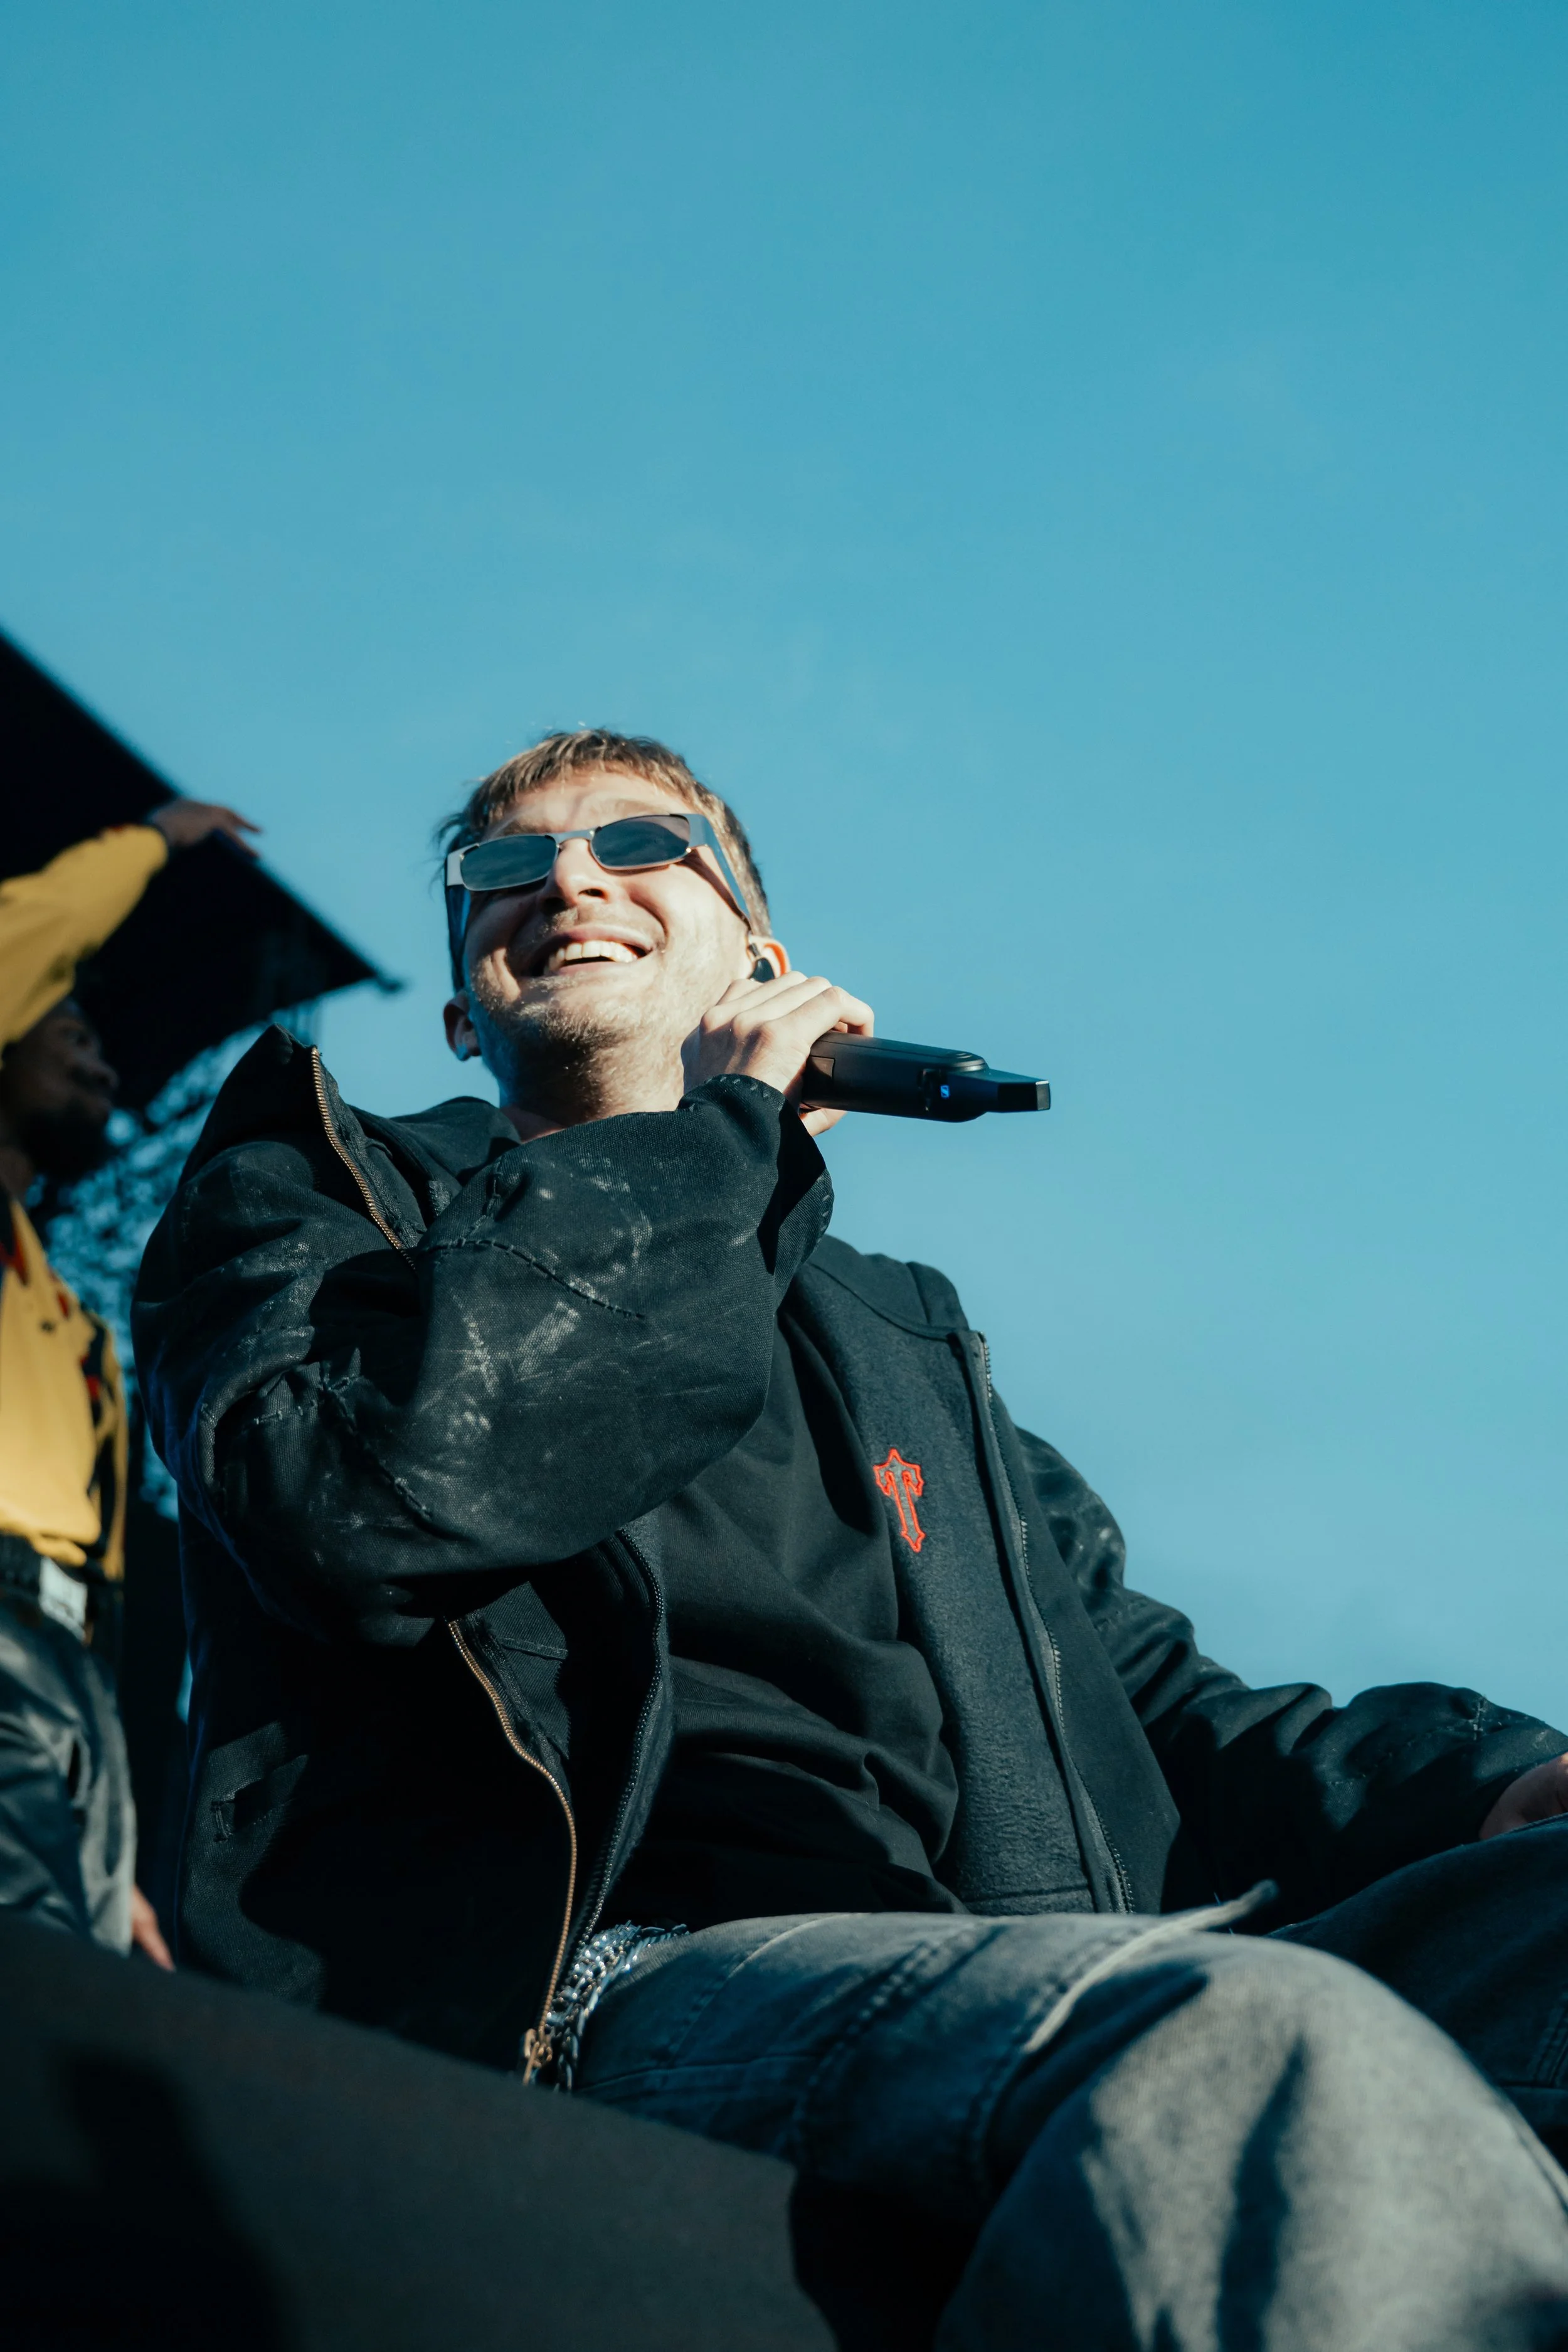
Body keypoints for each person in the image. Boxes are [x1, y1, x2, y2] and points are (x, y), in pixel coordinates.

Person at [135, 731, 1568, 2351]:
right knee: (1254, 2032)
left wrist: (1485, 1786)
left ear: (762, 954)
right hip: (610, 1977)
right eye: (503, 870)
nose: (568, 882)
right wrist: (726, 1124)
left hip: (1004, 1957)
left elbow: (1146, 1691)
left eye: (640, 841)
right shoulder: (321, 1195)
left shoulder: (897, 1338)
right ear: (464, 1009)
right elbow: (359, 1497)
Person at [0, 799, 257, 1966]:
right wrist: (150, 840)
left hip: (73, 1681)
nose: (102, 1056)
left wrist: (109, 1858)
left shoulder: (60, 1318)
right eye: (68, 1024)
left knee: (75, 1974)